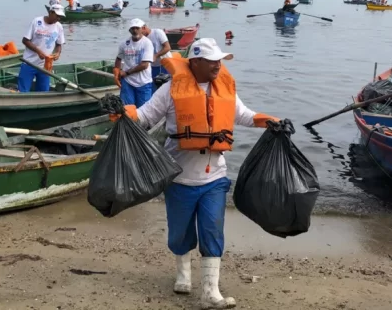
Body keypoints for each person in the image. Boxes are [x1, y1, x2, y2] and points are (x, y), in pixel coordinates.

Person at [117, 38, 278, 309]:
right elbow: (144, 117)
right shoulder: (170, 90)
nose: (218, 65)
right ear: (195, 61)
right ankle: (182, 274)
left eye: (220, 60)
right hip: (179, 178)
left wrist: (272, 121)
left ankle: (210, 292)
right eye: (212, 60)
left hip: (215, 177)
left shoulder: (224, 89)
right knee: (180, 234)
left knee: (212, 230)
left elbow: (245, 116)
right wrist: (120, 112)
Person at [17, 4, 65, 92]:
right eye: (57, 16)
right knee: (23, 91)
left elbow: (59, 44)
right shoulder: (37, 21)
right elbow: (25, 40)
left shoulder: (59, 27)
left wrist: (58, 53)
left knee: (43, 92)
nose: (58, 18)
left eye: (60, 17)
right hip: (29, 63)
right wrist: (38, 51)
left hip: (45, 65)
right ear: (50, 12)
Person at [114, 18, 154, 107]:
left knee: (143, 110)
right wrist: (116, 73)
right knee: (127, 108)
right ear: (129, 30)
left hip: (143, 82)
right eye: (133, 28)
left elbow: (144, 65)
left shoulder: (147, 43)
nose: (135, 31)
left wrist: (126, 72)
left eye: (137, 28)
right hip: (128, 82)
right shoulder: (124, 44)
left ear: (142, 29)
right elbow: (118, 59)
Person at [141, 22, 173, 90]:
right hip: (153, 66)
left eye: (140, 32)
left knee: (166, 86)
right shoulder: (141, 39)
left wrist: (156, 55)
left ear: (144, 28)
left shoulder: (157, 32)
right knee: (154, 87)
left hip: (165, 64)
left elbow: (167, 47)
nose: (139, 35)